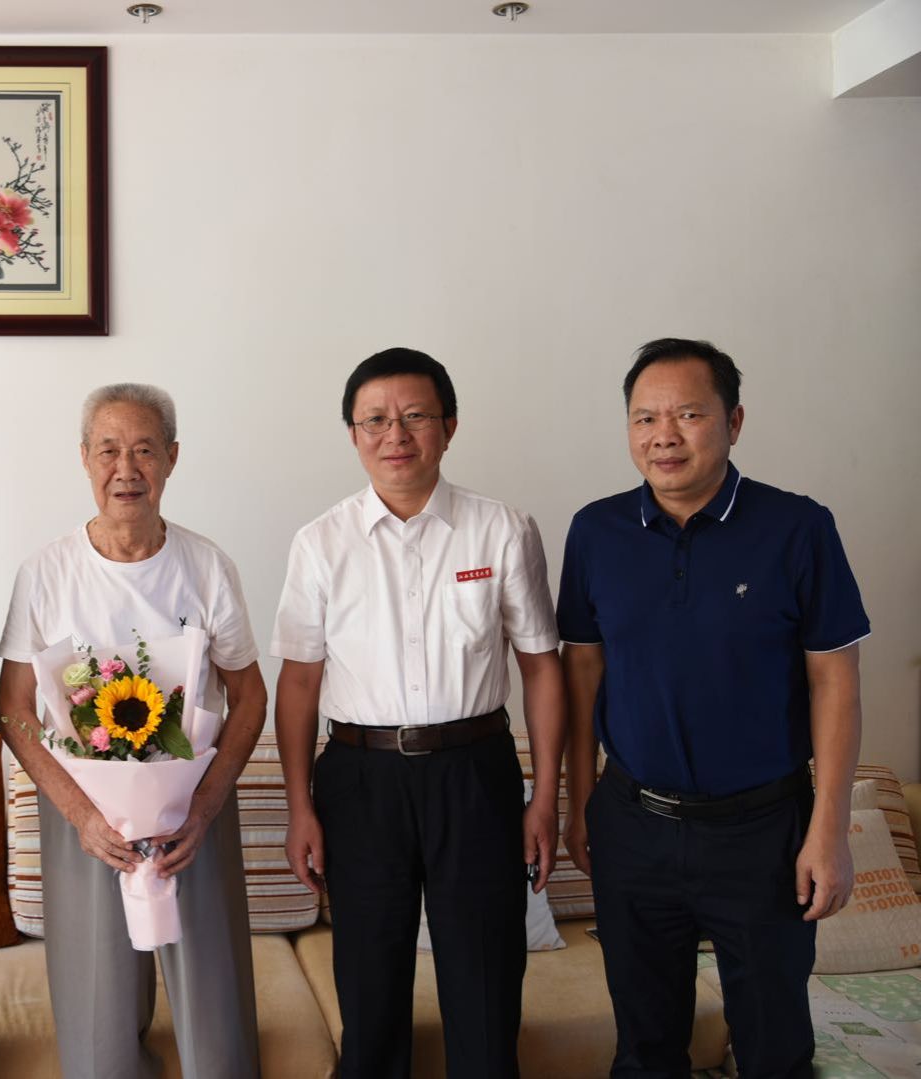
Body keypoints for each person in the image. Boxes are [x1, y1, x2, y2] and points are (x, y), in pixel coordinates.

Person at [558, 338, 868, 1078]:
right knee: (645, 1048)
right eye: (645, 418)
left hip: (762, 832)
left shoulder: (798, 527)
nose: (664, 436)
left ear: (733, 421)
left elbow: (835, 682)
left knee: (773, 1048)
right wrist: (579, 798)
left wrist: (829, 832)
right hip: (633, 823)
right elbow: (582, 672)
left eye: (688, 415)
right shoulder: (596, 531)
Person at [271, 347, 566, 1079]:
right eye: (375, 419)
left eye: (414, 417)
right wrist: (300, 807)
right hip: (360, 780)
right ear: (353, 434)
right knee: (369, 991)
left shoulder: (502, 529)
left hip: (475, 773)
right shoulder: (320, 543)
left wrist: (545, 796)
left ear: (449, 426)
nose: (395, 434)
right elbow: (299, 683)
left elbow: (541, 666)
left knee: (486, 984)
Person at [0, 382, 267, 1079]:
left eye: (144, 450)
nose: (127, 468)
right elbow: (15, 708)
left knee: (217, 1016)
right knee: (99, 1029)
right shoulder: (46, 571)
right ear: (85, 458)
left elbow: (250, 696)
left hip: (193, 810)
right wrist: (81, 814)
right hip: (85, 818)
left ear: (172, 458)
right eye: (109, 450)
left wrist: (204, 805)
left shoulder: (207, 566)